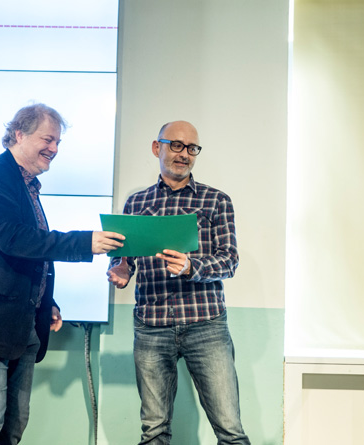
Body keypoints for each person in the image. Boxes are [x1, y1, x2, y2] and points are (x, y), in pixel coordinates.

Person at [0, 103, 124, 445]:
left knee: (12, 427)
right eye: (48, 139)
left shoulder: (25, 184)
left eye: (58, 142)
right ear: (19, 134)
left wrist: (46, 301)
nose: (54, 149)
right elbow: (14, 239)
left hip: (19, 323)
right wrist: (84, 242)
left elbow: (22, 256)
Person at [107, 121, 250, 444]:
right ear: (157, 147)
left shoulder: (217, 201)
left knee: (230, 430)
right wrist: (122, 268)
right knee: (154, 431)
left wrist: (190, 266)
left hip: (206, 325)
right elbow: (126, 259)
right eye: (176, 145)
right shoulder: (136, 203)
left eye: (191, 148)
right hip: (151, 326)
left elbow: (229, 261)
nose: (184, 154)